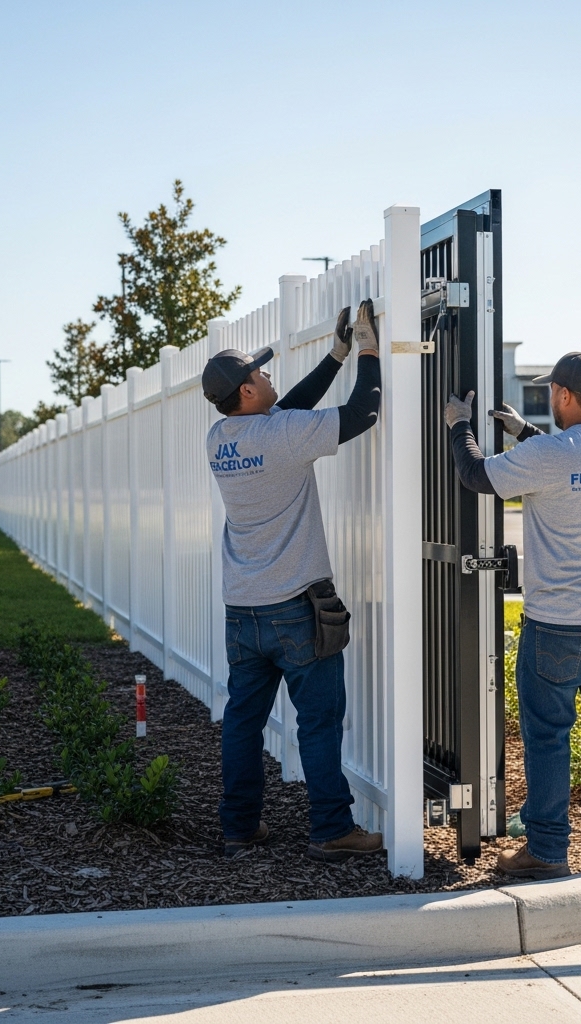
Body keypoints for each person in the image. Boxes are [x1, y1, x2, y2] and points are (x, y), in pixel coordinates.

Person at [444, 351, 581, 880]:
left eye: (549, 394)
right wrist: (525, 431)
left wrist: (458, 426)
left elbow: (474, 474)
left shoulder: (551, 455)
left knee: (547, 739)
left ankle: (547, 853)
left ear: (562, 394)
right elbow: (572, 457)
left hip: (558, 626)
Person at [203, 301, 384, 863]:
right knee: (319, 721)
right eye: (259, 371)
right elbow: (361, 414)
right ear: (249, 392)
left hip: (243, 610)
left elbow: (288, 414)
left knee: (243, 721)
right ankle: (331, 829)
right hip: (296, 608)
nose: (267, 373)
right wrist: (371, 353)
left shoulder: (220, 438)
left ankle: (239, 827)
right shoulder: (280, 435)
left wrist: (336, 356)